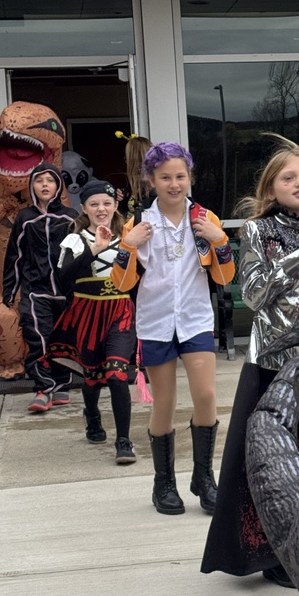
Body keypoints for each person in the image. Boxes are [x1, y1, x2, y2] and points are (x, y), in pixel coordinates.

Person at [201, 136, 299, 587]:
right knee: (267, 464)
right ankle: (272, 553)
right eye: (290, 177)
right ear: (271, 189)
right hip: (272, 363)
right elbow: (253, 294)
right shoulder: (257, 232)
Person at [111, 142, 235, 514]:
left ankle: (203, 477)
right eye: (165, 177)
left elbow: (224, 274)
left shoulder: (205, 219)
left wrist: (222, 241)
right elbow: (120, 283)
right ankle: (163, 483)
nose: (174, 183)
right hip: (156, 321)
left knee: (206, 396)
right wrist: (127, 246)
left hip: (195, 319)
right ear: (151, 180)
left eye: (180, 176)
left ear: (190, 177)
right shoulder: (140, 223)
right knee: (163, 402)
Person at [48, 180, 137, 463]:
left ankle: (123, 441)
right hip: (87, 312)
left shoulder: (128, 236)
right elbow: (63, 280)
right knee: (91, 376)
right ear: (84, 207)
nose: (101, 209)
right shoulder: (73, 238)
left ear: (115, 206)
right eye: (94, 204)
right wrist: (94, 251)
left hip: (120, 311)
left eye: (107, 203)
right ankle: (93, 415)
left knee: (117, 375)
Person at [2, 162, 76, 412]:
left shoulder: (70, 216)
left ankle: (62, 385)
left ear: (58, 185)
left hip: (65, 292)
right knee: (39, 338)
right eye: (39, 180)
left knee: (63, 340)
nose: (45, 185)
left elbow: (82, 254)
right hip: (36, 291)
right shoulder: (25, 217)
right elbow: (15, 256)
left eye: (50, 180)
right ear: (32, 186)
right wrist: (9, 292)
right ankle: (43, 388)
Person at [116, 131, 155, 220]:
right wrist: (121, 197)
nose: (125, 159)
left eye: (127, 156)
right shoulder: (133, 183)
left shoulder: (153, 187)